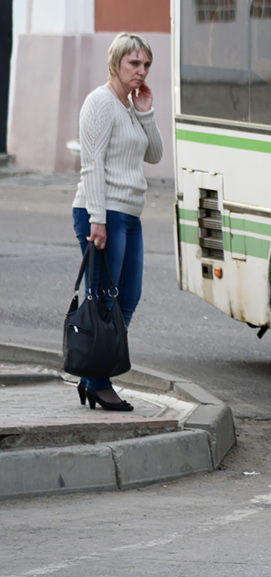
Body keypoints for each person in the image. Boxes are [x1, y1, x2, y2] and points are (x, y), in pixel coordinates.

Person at [72, 33, 164, 412]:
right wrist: (97, 220)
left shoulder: (129, 106)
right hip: (102, 213)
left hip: (129, 215)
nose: (141, 71)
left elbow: (156, 155)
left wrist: (145, 112)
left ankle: (91, 376)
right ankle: (97, 382)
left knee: (127, 298)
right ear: (116, 63)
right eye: (134, 64)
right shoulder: (100, 103)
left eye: (146, 65)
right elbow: (91, 163)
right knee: (105, 303)